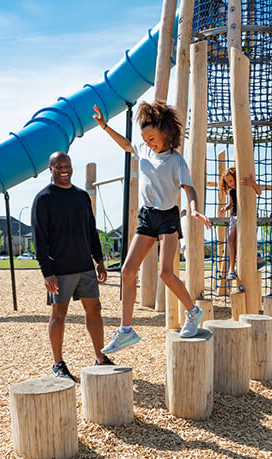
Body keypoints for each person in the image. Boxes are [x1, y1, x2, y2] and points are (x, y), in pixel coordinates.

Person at [92, 101, 212, 353]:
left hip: (168, 218)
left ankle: (193, 311)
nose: (148, 143)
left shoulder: (176, 161)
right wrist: (104, 126)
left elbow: (188, 188)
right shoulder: (143, 151)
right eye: (145, 139)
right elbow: (126, 144)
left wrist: (194, 209)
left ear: (166, 133)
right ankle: (126, 331)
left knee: (165, 273)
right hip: (148, 217)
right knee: (127, 270)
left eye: (152, 138)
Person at [31, 151, 112, 382]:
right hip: (60, 269)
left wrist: (100, 261)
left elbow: (91, 230)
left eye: (67, 165)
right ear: (51, 169)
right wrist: (47, 272)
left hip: (85, 265)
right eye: (59, 166)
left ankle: (100, 358)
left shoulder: (81, 196)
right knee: (59, 315)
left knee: (94, 310)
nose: (64, 169)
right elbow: (39, 238)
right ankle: (58, 364)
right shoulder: (43, 198)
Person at [219, 166, 265, 281]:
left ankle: (231, 269)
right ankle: (256, 259)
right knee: (236, 243)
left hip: (245, 215)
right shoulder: (231, 191)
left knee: (230, 239)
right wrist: (225, 208)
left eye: (231, 180)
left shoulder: (243, 187)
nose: (229, 184)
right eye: (227, 182)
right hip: (234, 217)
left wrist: (252, 183)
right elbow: (231, 203)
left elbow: (259, 192)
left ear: (235, 177)